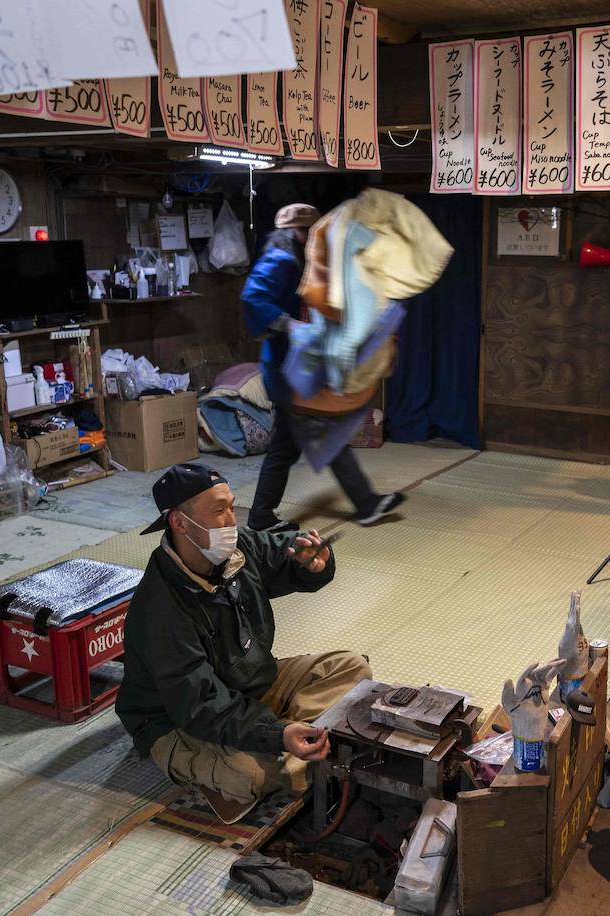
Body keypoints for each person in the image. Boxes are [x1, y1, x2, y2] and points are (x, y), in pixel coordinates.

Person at [115, 463, 372, 823]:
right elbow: (199, 703)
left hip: (250, 685)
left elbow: (285, 551)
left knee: (352, 668)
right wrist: (276, 733)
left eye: (232, 507)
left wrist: (310, 564)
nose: (231, 520)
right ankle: (283, 744)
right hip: (175, 718)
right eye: (218, 511)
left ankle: (286, 741)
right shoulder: (161, 606)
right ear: (180, 523)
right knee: (252, 774)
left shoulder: (236, 547)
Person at [242, 203, 405, 532]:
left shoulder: (296, 261)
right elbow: (252, 297)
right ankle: (366, 504)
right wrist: (289, 326)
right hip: (290, 370)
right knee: (325, 435)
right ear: (301, 234)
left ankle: (262, 515)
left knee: (290, 444)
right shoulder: (282, 260)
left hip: (292, 368)